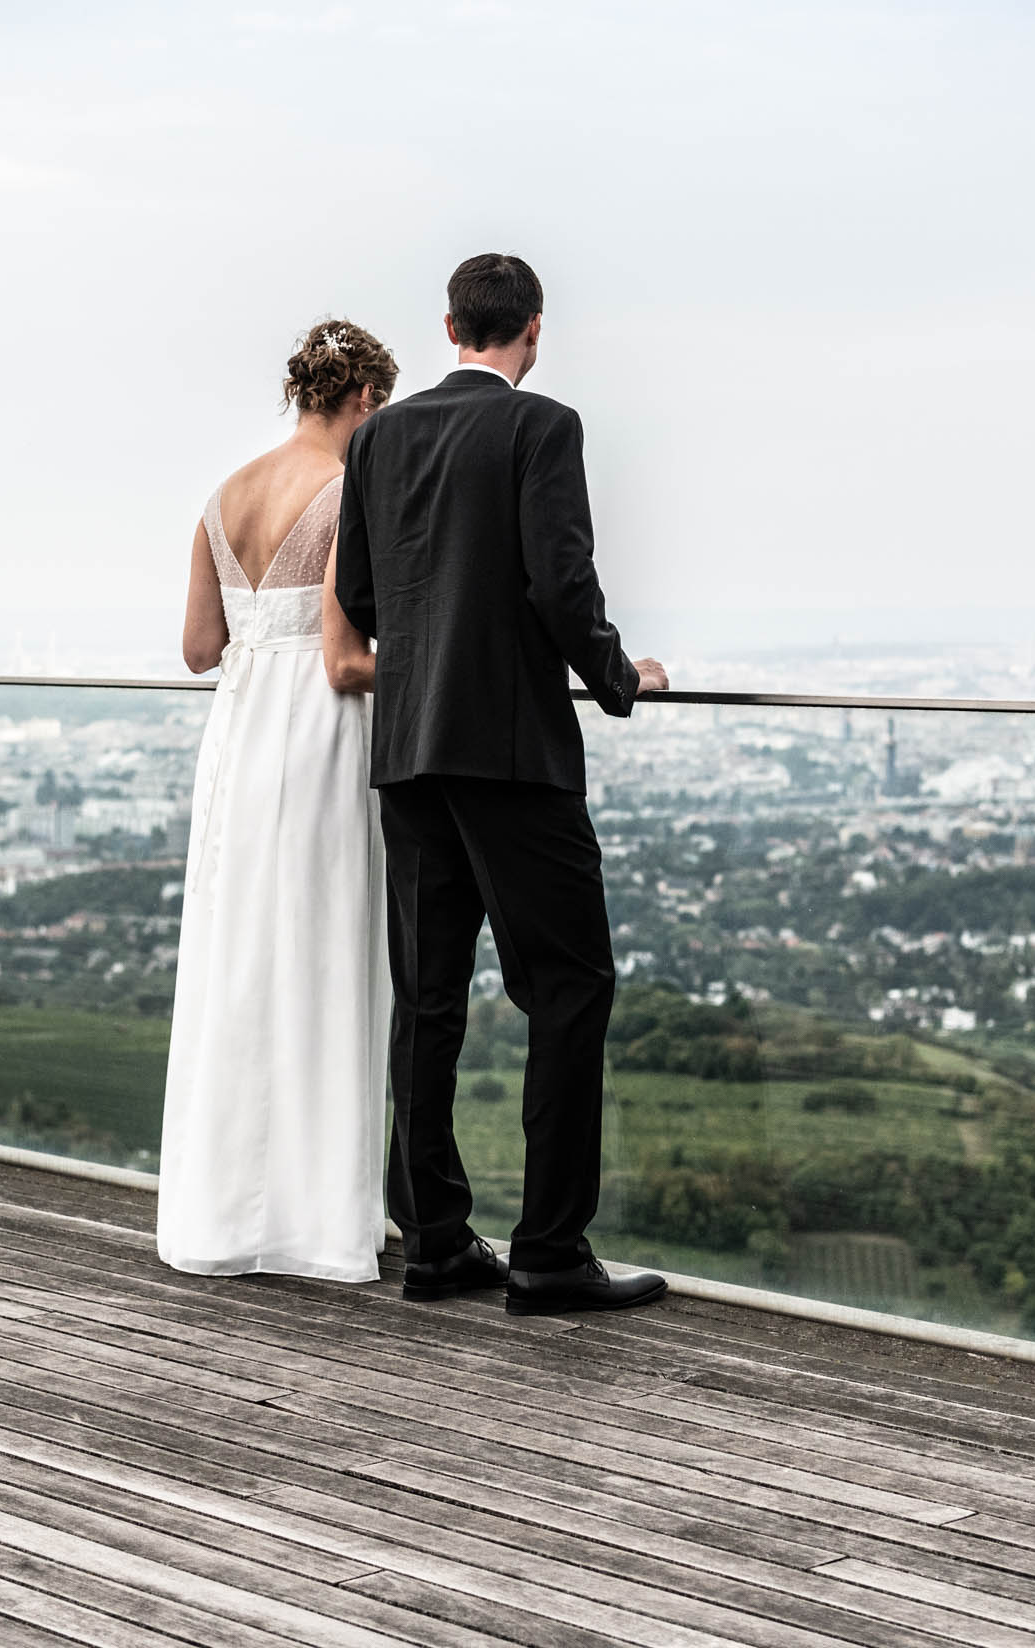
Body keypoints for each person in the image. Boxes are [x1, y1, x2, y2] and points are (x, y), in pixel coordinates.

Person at [335, 253, 671, 1316]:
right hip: (514, 752)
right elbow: (560, 581)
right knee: (570, 987)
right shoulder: (543, 427)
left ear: (447, 325)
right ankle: (549, 1250)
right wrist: (621, 677)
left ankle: (434, 1241)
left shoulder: (380, 437)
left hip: (409, 752)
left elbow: (357, 590)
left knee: (428, 1001)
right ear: (534, 328)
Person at [157, 319, 400, 1281]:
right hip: (320, 734)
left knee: (238, 959)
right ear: (365, 402)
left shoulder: (223, 499)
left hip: (239, 735)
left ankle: (225, 1208)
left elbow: (198, 650)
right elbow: (345, 662)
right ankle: (313, 1216)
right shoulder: (350, 492)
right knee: (324, 951)